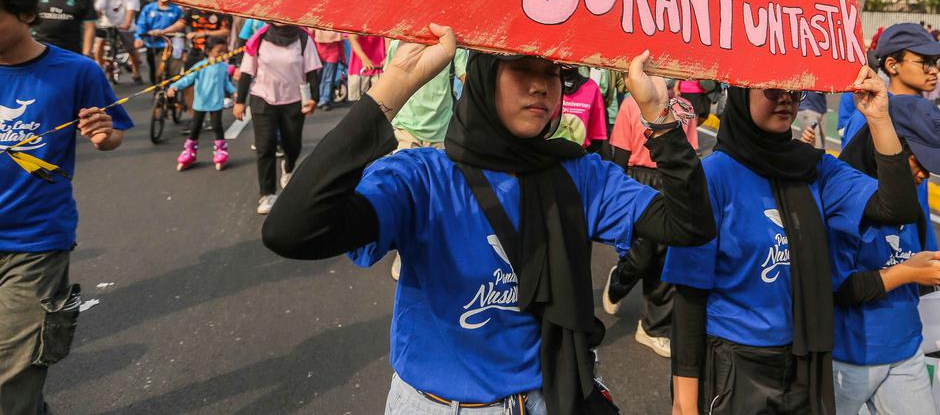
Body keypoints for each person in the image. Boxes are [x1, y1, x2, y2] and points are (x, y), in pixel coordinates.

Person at [262, 28, 714, 414]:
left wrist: (659, 118)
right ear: (482, 76)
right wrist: (391, 90)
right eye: (522, 68)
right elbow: (293, 229)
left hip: (549, 398)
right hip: (438, 405)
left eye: (553, 73)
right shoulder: (421, 178)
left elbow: (689, 225)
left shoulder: (580, 174)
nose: (542, 86)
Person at [666, 69, 920, 415]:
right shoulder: (713, 176)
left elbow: (898, 207)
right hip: (734, 365)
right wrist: (684, 402)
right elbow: (689, 294)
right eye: (772, 89)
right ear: (740, 92)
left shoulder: (816, 169)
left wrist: (879, 119)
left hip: (803, 357)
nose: (786, 98)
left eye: (794, 90)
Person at [0, 0, 132, 414]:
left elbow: (112, 136)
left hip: (34, 244)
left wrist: (103, 134)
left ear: (25, 14)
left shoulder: (77, 71)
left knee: (12, 381)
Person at [832, 94, 940, 415]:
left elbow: (911, 260)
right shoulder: (843, 201)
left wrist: (930, 272)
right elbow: (836, 289)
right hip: (850, 358)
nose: (926, 174)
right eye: (918, 162)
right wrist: (908, 273)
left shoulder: (910, 204)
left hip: (907, 350)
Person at [602, 82, 701, 359]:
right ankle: (621, 277)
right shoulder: (631, 103)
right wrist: (616, 195)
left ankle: (653, 327)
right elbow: (620, 153)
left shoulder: (685, 108)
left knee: (670, 258)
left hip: (671, 182)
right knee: (642, 252)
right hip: (639, 181)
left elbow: (688, 154)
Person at [383, 38, 468, 281]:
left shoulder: (454, 46)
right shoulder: (399, 42)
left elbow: (467, 80)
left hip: (441, 132)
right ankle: (404, 250)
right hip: (406, 130)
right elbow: (390, 81)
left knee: (434, 198)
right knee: (404, 195)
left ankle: (426, 247)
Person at [232, 24, 322, 214]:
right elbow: (247, 71)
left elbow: (312, 72)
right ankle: (267, 194)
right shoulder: (260, 38)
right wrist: (240, 101)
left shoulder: (303, 38)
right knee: (265, 147)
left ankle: (288, 167)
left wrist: (314, 98)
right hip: (262, 98)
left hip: (294, 100)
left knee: (292, 145)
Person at [839, 23, 940, 149]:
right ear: (892, 65)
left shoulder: (928, 109)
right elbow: (852, 166)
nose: (935, 71)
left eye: (937, 62)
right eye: (925, 62)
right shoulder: (871, 114)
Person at [168, 36, 236, 172]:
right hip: (200, 103)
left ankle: (221, 152)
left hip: (216, 102)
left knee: (217, 127)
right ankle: (189, 152)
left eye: (224, 51)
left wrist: (234, 92)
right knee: (195, 127)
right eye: (219, 51)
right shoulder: (200, 66)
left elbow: (226, 83)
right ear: (208, 51)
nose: (222, 54)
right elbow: (187, 79)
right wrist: (174, 86)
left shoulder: (223, 67)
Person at [91, 0, 143, 82]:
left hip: (125, 26)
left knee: (131, 49)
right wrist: (97, 21)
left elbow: (131, 10)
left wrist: (126, 24)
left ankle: (136, 71)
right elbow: (98, 10)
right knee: (99, 45)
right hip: (106, 24)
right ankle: (99, 67)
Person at [132, 0, 184, 81]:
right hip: (153, 44)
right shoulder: (149, 8)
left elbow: (182, 26)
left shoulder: (177, 10)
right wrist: (138, 38)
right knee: (155, 72)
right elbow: (141, 25)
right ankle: (156, 89)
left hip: (171, 45)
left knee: (173, 72)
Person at [560, 66, 609, 152]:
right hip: (547, 157)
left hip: (580, 155)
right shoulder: (546, 84)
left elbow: (597, 136)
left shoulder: (591, 87)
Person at [310, 28, 347, 111]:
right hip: (319, 54)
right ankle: (319, 99)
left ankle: (324, 100)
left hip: (330, 54)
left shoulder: (333, 27)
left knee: (328, 79)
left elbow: (340, 44)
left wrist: (343, 57)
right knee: (318, 78)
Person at [346, 33, 385, 99]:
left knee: (380, 100)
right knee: (359, 101)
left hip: (380, 67)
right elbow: (352, 38)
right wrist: (364, 59)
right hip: (360, 68)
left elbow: (387, 37)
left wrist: (387, 56)